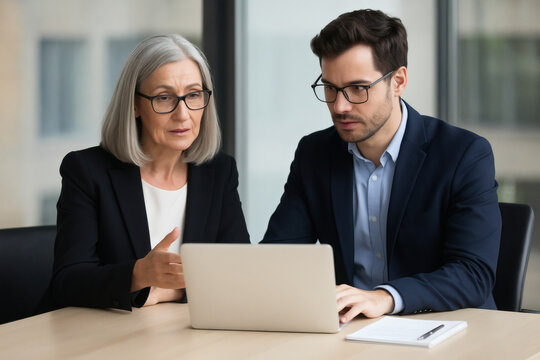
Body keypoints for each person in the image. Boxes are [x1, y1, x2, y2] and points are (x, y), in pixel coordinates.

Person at [261, 9, 501, 322]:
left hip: (447, 328)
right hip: (350, 331)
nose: (340, 106)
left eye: (358, 88)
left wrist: (385, 297)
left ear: (398, 81)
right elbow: (280, 257)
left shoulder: (464, 154)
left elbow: (473, 274)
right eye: (330, 88)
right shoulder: (315, 153)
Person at [52, 34, 250, 310]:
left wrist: (170, 292)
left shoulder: (219, 171)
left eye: (193, 94)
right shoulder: (87, 172)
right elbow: (68, 282)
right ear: (134, 104)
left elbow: (240, 273)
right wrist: (138, 275)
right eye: (164, 97)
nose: (183, 114)